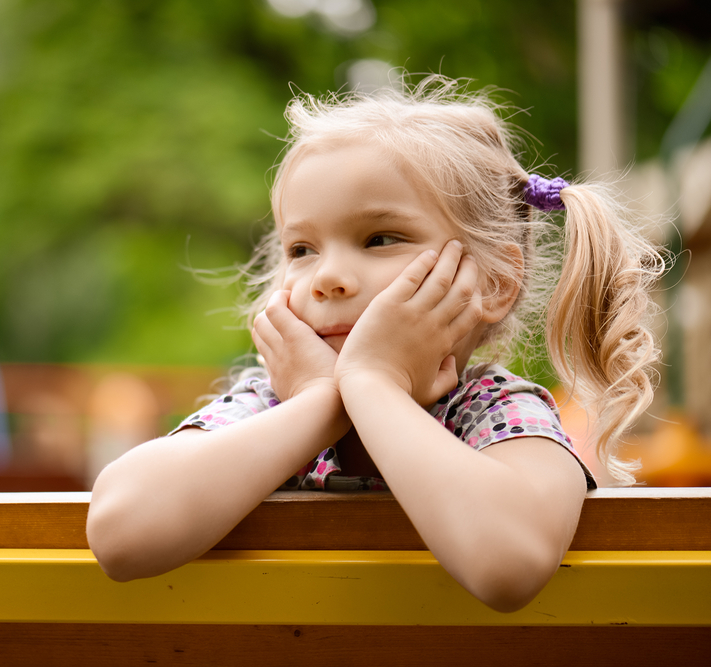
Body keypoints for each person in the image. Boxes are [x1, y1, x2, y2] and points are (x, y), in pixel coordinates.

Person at [85, 76, 664, 612]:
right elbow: (120, 532)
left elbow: (509, 566)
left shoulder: (495, 412)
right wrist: (320, 401)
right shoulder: (270, 405)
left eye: (380, 238)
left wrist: (372, 385)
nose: (326, 276)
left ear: (495, 282)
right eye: (302, 249)